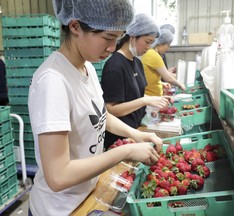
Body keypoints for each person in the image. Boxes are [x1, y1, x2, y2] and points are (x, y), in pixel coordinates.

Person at [27, 1, 163, 215]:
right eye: (108, 38)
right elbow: (58, 176)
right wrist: (125, 151)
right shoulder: (52, 82)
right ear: (75, 27)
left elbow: (99, 114)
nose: (112, 48)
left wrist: (135, 134)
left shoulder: (86, 67)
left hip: (86, 196)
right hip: (60, 208)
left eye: (118, 39)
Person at [101, 13, 171, 149]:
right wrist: (145, 101)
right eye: (147, 42)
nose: (148, 47)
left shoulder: (136, 63)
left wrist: (154, 100)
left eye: (151, 43)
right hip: (119, 138)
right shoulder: (115, 66)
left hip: (135, 131)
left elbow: (135, 95)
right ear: (132, 36)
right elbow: (111, 110)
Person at [142, 28, 186, 96]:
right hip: (151, 96)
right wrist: (181, 85)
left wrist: (161, 83)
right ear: (161, 43)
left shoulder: (150, 53)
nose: (168, 48)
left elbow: (149, 76)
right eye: (168, 45)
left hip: (151, 95)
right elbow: (168, 78)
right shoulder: (153, 55)